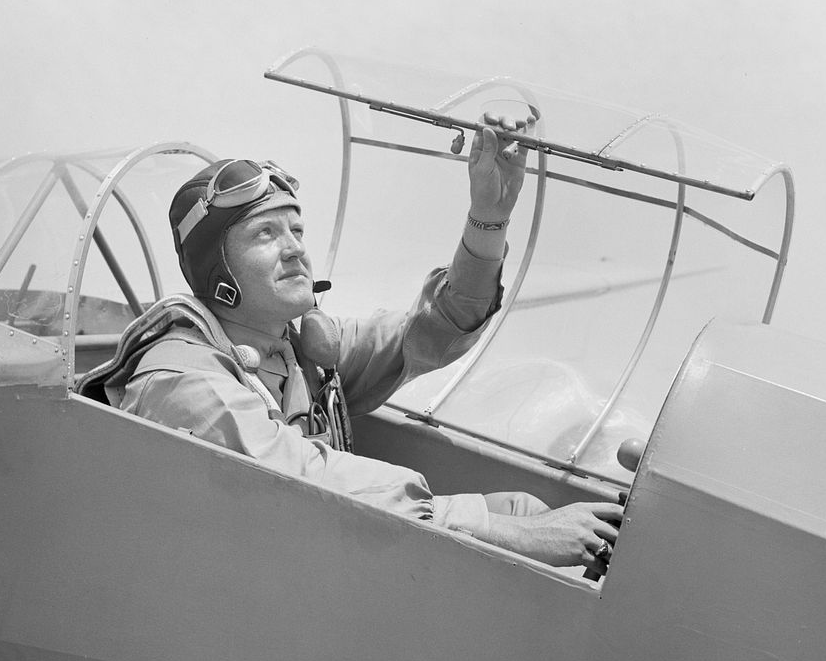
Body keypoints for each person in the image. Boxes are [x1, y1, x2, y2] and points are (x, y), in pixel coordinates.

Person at [80, 117, 622, 571]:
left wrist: (490, 214)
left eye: (296, 230)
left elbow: (435, 326)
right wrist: (510, 532)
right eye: (265, 234)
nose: (294, 249)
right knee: (516, 530)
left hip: (307, 565)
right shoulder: (183, 378)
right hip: (238, 589)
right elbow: (303, 476)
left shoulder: (300, 351)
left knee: (524, 508)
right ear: (215, 269)